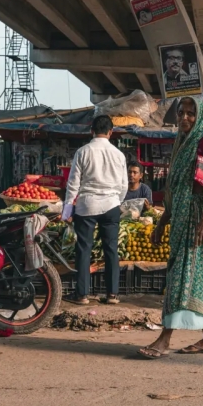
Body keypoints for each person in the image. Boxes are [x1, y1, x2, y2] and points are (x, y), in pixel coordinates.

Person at [138, 97, 203, 359]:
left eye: (190, 113)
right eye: (181, 112)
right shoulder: (181, 142)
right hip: (181, 220)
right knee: (187, 279)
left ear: (200, 116)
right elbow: (174, 188)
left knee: (182, 280)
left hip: (197, 220)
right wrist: (162, 223)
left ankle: (164, 339)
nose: (185, 117)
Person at [62, 115, 127, 305]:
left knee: (84, 249)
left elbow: (73, 184)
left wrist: (67, 210)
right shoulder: (119, 154)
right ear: (111, 132)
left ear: (91, 131)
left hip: (86, 205)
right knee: (111, 249)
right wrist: (116, 201)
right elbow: (124, 185)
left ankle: (81, 295)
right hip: (111, 205)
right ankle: (112, 294)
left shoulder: (83, 152)